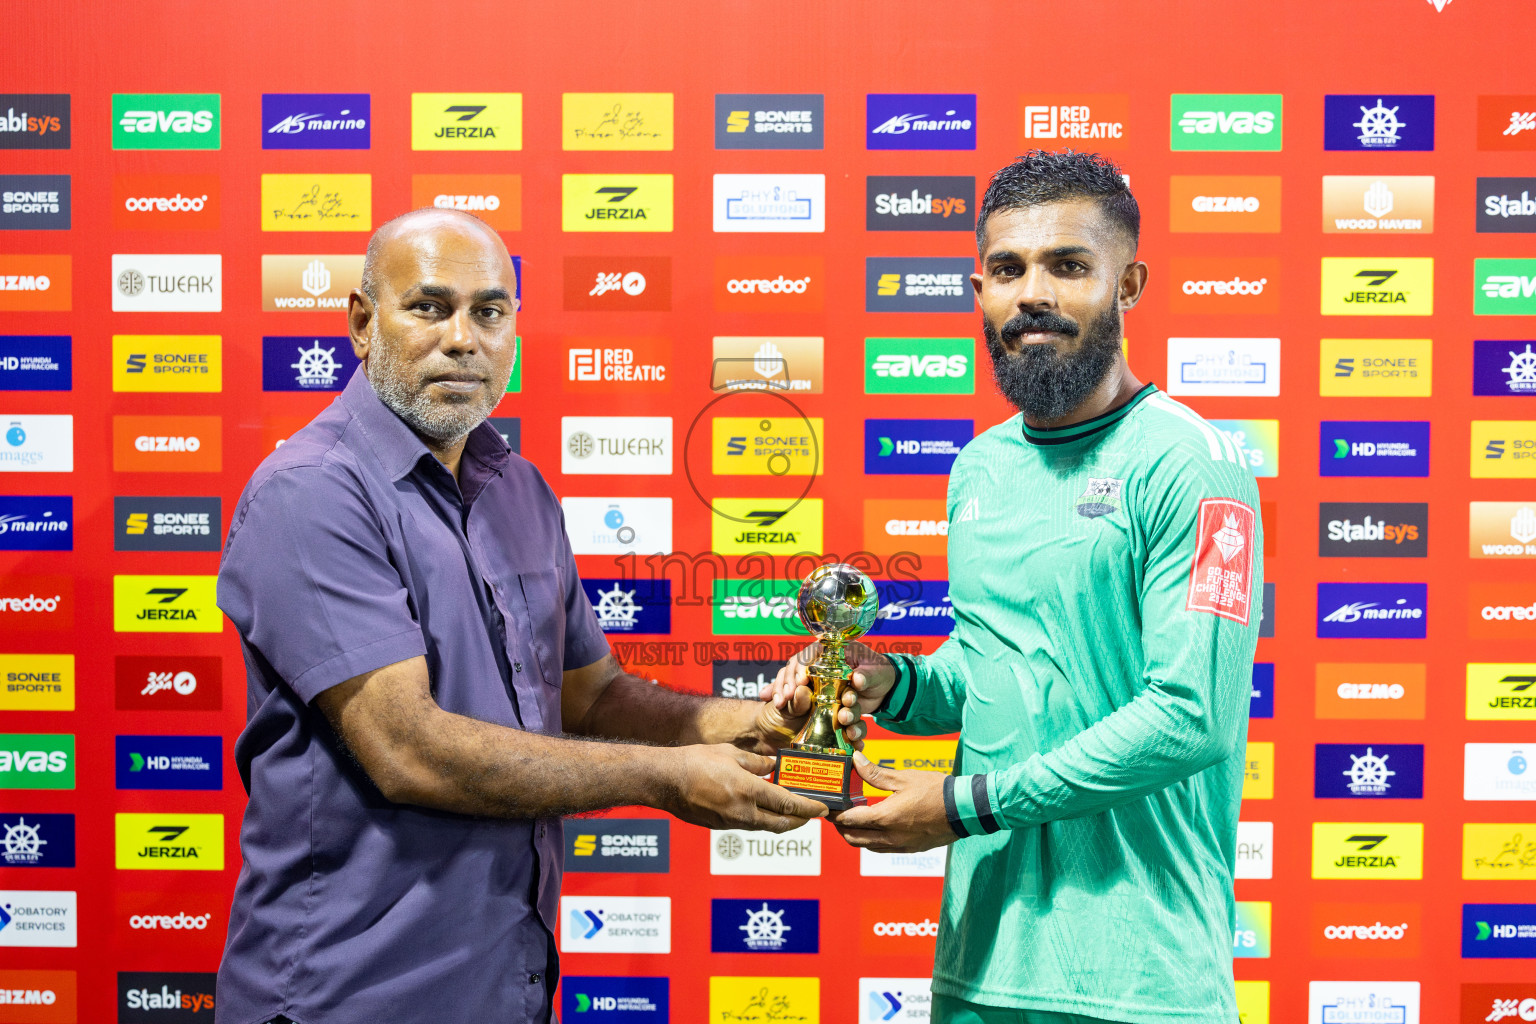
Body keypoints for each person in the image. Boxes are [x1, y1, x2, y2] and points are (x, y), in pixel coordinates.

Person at [215, 208, 827, 1024]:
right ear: (362, 323)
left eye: (490, 311)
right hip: (351, 991)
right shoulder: (311, 491)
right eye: (429, 307)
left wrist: (731, 724)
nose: (464, 338)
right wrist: (666, 779)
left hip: (509, 983)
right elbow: (407, 750)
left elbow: (590, 696)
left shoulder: (521, 489)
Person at [768, 151, 1263, 1024]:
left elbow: (1192, 715)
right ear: (981, 290)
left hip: (1138, 985)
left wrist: (966, 805)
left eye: (1068, 266)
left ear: (1129, 283)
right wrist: (892, 683)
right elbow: (992, 666)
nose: (1032, 292)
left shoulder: (1194, 464)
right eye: (1008, 269)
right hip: (979, 966)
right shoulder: (980, 467)